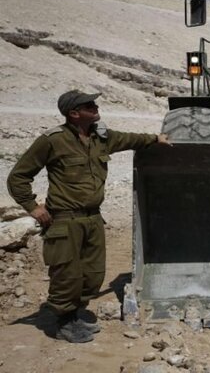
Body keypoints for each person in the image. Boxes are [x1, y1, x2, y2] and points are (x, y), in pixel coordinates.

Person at [6, 89, 171, 343]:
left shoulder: (100, 138)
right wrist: (33, 207)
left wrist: (155, 139)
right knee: (66, 274)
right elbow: (18, 177)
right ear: (74, 113)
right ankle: (62, 323)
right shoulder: (52, 140)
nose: (95, 107)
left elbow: (129, 139)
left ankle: (73, 313)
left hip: (93, 219)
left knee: (93, 274)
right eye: (89, 105)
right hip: (64, 220)